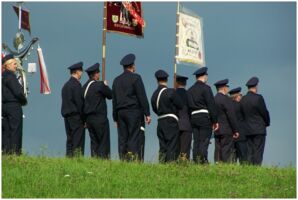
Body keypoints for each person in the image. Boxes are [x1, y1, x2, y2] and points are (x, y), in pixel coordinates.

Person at [112, 53, 151, 161]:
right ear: (132, 65)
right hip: (133, 112)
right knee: (134, 136)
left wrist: (115, 117)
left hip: (120, 113)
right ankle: (133, 160)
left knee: (122, 138)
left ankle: (123, 160)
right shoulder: (136, 78)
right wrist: (147, 113)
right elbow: (142, 96)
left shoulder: (116, 80)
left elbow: (114, 101)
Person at [187, 67, 218, 164]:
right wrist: (215, 121)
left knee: (196, 141)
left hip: (193, 117)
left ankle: (196, 160)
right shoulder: (206, 88)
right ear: (204, 76)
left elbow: (188, 107)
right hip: (204, 117)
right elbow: (211, 105)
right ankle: (203, 160)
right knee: (204, 140)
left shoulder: (190, 90)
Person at [151, 70, 183, 162]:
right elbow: (180, 105)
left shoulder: (154, 95)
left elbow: (154, 109)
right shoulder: (170, 92)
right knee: (172, 144)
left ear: (157, 80)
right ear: (167, 79)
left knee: (163, 146)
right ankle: (170, 164)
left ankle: (162, 164)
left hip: (160, 121)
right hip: (171, 121)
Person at [83, 63, 112, 159]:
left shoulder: (84, 87)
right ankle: (104, 161)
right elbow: (110, 95)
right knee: (103, 142)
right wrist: (105, 85)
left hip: (89, 119)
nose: (99, 74)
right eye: (98, 73)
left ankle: (94, 161)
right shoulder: (99, 85)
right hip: (100, 119)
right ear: (95, 74)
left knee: (94, 142)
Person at [240, 77, 270, 165]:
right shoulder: (259, 98)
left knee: (249, 150)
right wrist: (267, 123)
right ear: (256, 86)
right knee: (258, 150)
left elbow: (241, 115)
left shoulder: (243, 99)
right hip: (259, 129)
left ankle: (249, 167)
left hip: (247, 130)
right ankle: (256, 167)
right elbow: (264, 112)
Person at [2, 54, 27, 155]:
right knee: (16, 130)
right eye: (14, 64)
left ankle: (6, 152)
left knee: (6, 130)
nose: (16, 66)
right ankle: (15, 153)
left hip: (4, 106)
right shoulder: (11, 77)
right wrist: (24, 100)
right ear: (7, 65)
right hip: (14, 106)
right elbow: (17, 92)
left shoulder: (2, 77)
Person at [61, 62, 85, 157]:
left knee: (70, 139)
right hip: (76, 116)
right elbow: (80, 103)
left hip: (67, 117)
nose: (81, 73)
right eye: (81, 71)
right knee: (78, 140)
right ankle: (77, 159)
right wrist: (84, 119)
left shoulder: (65, 86)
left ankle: (69, 158)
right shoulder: (76, 85)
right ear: (77, 72)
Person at [213, 79, 239, 163]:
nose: (228, 88)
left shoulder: (214, 99)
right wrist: (235, 130)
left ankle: (217, 163)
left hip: (217, 129)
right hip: (227, 129)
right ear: (224, 88)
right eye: (227, 86)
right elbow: (231, 115)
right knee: (226, 149)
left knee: (218, 148)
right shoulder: (226, 99)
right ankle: (225, 165)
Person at [229, 87, 248, 164]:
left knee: (232, 157)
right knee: (243, 156)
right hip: (241, 134)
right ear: (237, 96)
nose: (241, 97)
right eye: (241, 95)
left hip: (231, 133)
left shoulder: (228, 106)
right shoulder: (240, 105)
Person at [175, 75, 192, 160]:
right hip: (187, 124)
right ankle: (184, 163)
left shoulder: (173, 93)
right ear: (185, 83)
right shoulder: (189, 94)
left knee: (175, 146)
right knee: (185, 147)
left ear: (176, 83)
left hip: (175, 124)